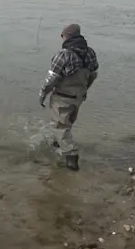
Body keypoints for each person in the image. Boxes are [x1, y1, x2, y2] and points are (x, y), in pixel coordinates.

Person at [38, 23, 98, 171]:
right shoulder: (90, 52)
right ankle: (57, 145)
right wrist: (84, 90)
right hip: (78, 97)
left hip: (62, 97)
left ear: (67, 36)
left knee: (60, 126)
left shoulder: (63, 55)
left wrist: (42, 94)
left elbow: (51, 79)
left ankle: (71, 157)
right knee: (67, 124)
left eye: (62, 35)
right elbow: (93, 74)